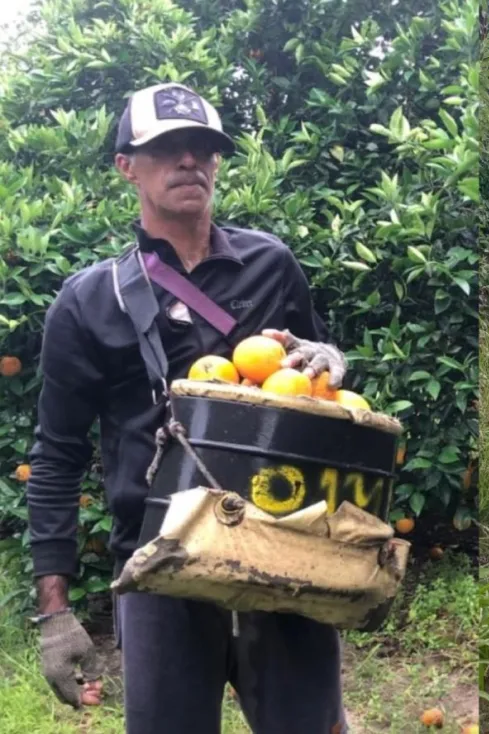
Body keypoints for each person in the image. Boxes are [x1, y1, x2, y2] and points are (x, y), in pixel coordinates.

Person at [25, 82, 351, 734]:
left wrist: (330, 358)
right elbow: (57, 455)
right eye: (168, 148)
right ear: (127, 166)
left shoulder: (272, 265)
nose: (189, 161)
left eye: (203, 147)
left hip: (280, 550)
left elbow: (316, 397)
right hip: (158, 568)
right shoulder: (88, 301)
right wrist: (55, 612)